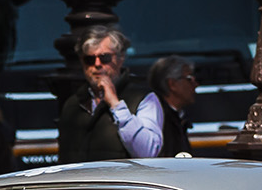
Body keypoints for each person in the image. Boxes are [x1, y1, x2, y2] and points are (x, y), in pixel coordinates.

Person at [57, 25, 157, 162]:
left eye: (105, 58)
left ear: (120, 59)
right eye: (89, 59)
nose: (97, 64)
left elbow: (148, 152)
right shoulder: (72, 104)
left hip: (122, 182)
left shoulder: (144, 99)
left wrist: (116, 105)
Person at [143, 56, 198, 157]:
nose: (195, 84)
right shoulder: (157, 118)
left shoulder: (177, 117)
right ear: (172, 84)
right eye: (189, 79)